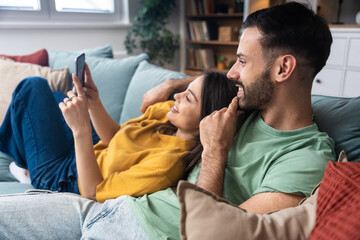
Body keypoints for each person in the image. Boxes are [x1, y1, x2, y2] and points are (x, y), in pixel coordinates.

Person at [0, 2, 335, 239]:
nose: (232, 73)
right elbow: (211, 86)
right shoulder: (242, 105)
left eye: (243, 62)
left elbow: (216, 233)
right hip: (108, 208)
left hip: (143, 232)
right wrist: (177, 84)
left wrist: (215, 153)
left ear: (282, 69)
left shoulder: (305, 157)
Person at [0, 67, 237, 202]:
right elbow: (117, 138)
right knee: (57, 99)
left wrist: (81, 129)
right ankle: (29, 159)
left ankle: (27, 169)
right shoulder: (168, 114)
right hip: (93, 152)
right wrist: (93, 102)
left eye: (188, 98)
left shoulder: (165, 167)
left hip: (70, 179)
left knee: (32, 87)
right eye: (184, 91)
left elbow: (93, 192)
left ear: (207, 120)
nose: (176, 96)